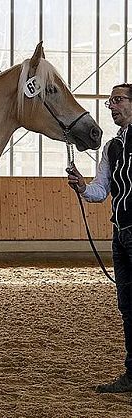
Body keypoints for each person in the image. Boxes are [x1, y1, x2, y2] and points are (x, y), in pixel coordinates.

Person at [67, 83, 132, 393]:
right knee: (128, 307)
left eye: (118, 100)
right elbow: (99, 190)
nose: (112, 106)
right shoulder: (112, 148)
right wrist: (82, 185)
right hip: (120, 234)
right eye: (110, 101)